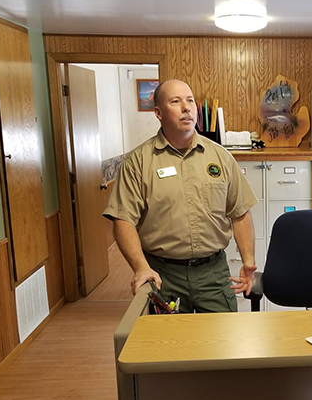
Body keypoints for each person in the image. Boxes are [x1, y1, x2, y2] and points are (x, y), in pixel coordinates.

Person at [103, 79, 258, 312]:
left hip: (213, 274)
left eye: (190, 101)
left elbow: (240, 213)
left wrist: (248, 261)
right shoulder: (138, 162)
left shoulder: (221, 157)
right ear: (158, 113)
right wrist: (140, 267)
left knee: (221, 345)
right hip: (164, 275)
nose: (186, 107)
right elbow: (123, 220)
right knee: (171, 346)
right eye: (176, 101)